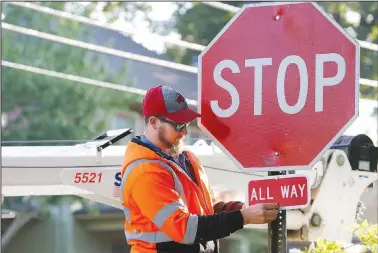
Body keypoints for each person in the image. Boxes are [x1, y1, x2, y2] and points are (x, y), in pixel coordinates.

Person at [120, 85, 280, 253]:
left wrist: (240, 209)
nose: (185, 131)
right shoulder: (145, 172)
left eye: (187, 124)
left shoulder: (187, 158)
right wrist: (243, 217)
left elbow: (208, 209)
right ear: (154, 122)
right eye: (178, 125)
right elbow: (185, 229)